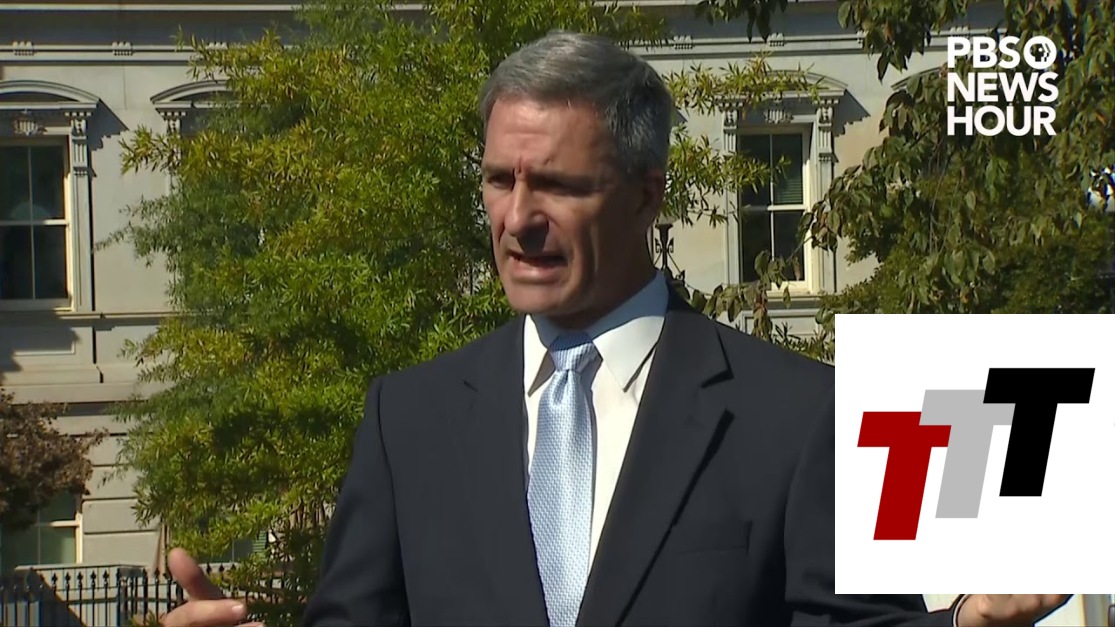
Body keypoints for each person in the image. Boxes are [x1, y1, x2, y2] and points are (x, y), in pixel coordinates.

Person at [159, 31, 1070, 627]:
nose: (517, 219)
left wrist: (962, 622)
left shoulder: (800, 415)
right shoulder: (408, 419)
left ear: (645, 195)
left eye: (557, 185)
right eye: (498, 181)